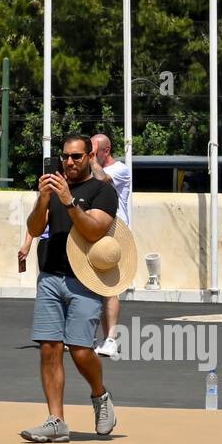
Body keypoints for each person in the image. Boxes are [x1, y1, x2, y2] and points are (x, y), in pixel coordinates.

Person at [19, 133, 119, 443]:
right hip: (50, 275)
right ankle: (56, 420)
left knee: (80, 350)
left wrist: (69, 202)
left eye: (76, 156)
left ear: (90, 157)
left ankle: (100, 396)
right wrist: (43, 199)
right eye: (65, 157)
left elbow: (94, 229)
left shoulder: (103, 192)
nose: (69, 162)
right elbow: (35, 229)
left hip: (85, 280)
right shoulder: (54, 188)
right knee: (49, 348)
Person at [90, 134, 131, 357]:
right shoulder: (93, 166)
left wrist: (90, 160)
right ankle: (101, 338)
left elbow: (103, 179)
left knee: (110, 286)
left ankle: (111, 338)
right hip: (97, 229)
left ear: (106, 151)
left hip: (116, 232)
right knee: (94, 285)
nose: (91, 155)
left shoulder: (120, 170)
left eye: (95, 151)